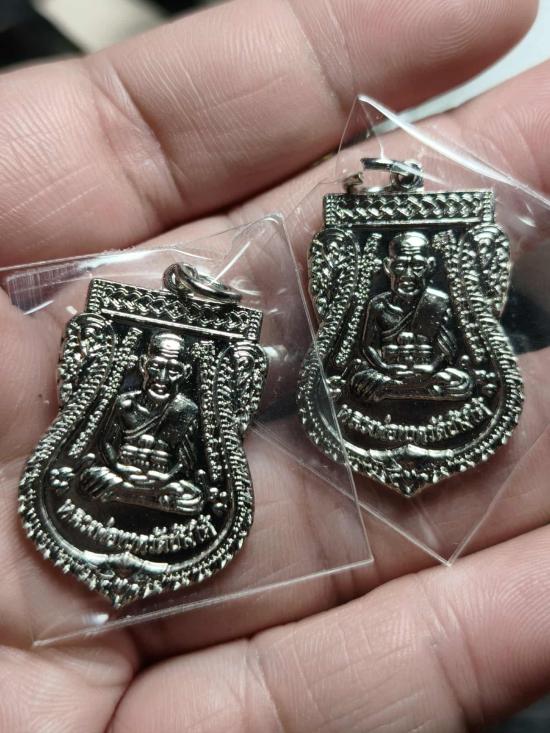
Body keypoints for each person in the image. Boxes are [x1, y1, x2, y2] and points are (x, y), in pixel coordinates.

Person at [1, 1, 549, 731]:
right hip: (141, 478)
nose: (410, 277)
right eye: (401, 267)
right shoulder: (132, 396)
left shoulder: (196, 405)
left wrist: (412, 366)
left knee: (418, 383)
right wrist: (133, 470)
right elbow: (111, 454)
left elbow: (448, 359)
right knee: (120, 475)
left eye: (420, 268)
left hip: (409, 386)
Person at [80, 331, 204, 515]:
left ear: (186, 372)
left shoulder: (187, 410)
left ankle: (132, 494)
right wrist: (119, 469)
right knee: (91, 477)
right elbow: (106, 444)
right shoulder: (124, 403)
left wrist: (164, 479)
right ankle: (143, 496)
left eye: (173, 370)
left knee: (190, 495)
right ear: (143, 364)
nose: (162, 378)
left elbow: (185, 464)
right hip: (121, 475)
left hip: (162, 482)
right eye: (155, 367)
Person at [350, 231, 472, 401]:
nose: (408, 275)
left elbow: (446, 352)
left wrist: (431, 368)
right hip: (390, 372)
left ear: (430, 266)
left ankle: (394, 391)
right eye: (400, 265)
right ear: (388, 266)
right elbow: (367, 346)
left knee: (461, 382)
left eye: (417, 266)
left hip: (428, 374)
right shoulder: (378, 305)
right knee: (358, 382)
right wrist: (384, 367)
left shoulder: (437, 302)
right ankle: (414, 390)